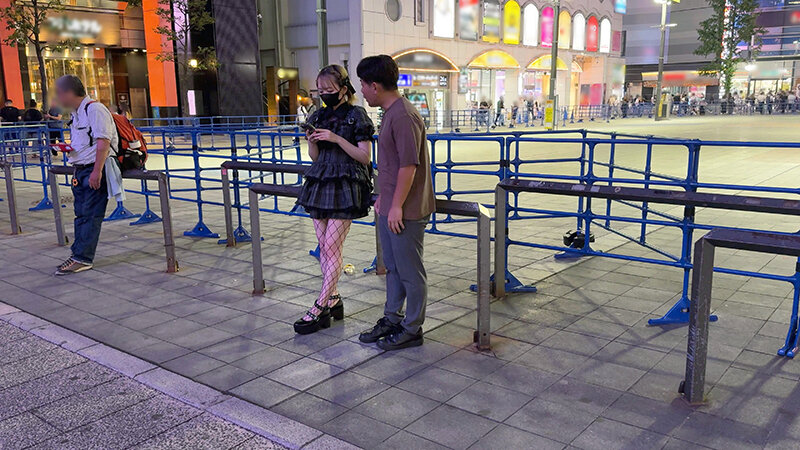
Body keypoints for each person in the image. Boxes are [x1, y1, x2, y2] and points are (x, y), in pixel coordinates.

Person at [357, 55, 435, 350]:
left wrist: (397, 205)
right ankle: (393, 318)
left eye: (363, 84)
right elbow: (391, 166)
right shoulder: (390, 113)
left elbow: (408, 166)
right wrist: (385, 199)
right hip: (392, 206)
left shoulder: (403, 116)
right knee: (393, 267)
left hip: (407, 210)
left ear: (375, 86)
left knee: (410, 272)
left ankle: (412, 328)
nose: (362, 91)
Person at [293, 65, 375, 335]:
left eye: (329, 89)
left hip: (346, 184)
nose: (324, 94)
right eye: (320, 90)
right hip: (321, 182)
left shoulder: (356, 115)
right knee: (324, 247)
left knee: (331, 247)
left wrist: (336, 138)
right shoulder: (319, 115)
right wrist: (312, 141)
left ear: (343, 88)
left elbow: (365, 157)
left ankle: (320, 306)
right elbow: (315, 157)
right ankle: (334, 298)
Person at [53, 75, 125, 275]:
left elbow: (103, 141)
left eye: (59, 94)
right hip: (81, 169)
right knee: (81, 214)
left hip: (94, 169)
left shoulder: (95, 109)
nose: (58, 99)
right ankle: (77, 255)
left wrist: (97, 171)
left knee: (91, 215)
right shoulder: (76, 113)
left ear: (69, 93)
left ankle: (83, 258)